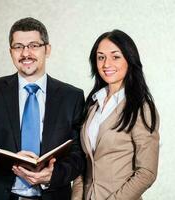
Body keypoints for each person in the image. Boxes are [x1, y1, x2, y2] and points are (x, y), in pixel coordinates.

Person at [0, 17, 85, 200]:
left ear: (47, 49)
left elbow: (79, 155)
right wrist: (9, 162)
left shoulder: (72, 96)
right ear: (10, 52)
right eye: (18, 46)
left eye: (34, 45)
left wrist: (52, 175)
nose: (25, 53)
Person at [72, 29, 160, 200]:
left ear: (129, 59)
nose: (106, 64)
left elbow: (147, 172)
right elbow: (83, 162)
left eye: (115, 56)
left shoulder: (141, 107)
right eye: (101, 57)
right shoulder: (92, 105)